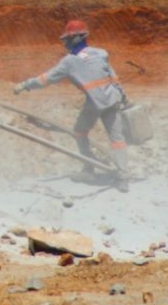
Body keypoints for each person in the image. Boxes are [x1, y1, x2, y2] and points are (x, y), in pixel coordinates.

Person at [13, 19, 130, 192]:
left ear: (75, 38)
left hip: (95, 103)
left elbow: (46, 78)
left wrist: (25, 85)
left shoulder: (70, 61)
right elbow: (113, 76)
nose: (65, 43)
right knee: (118, 139)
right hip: (113, 99)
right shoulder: (100, 53)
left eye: (67, 39)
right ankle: (123, 177)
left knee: (80, 131)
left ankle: (88, 168)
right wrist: (123, 95)